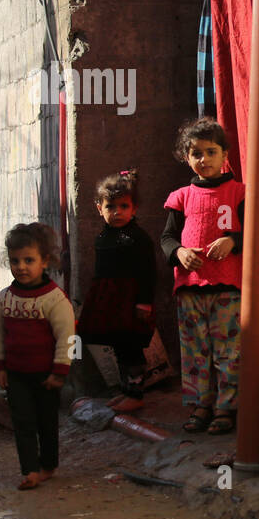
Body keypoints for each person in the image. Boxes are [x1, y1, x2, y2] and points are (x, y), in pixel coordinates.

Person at [160, 118, 244, 435]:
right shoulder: (180, 197)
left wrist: (232, 239)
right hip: (190, 288)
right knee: (195, 351)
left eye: (211, 152)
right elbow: (167, 238)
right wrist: (179, 253)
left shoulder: (238, 193)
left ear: (225, 155)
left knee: (228, 351)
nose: (204, 160)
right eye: (196, 153)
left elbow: (253, 232)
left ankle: (226, 408)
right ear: (186, 156)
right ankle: (201, 406)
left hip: (227, 289)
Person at [0, 222, 76, 491]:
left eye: (29, 260)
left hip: (46, 375)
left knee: (46, 422)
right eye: (15, 261)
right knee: (22, 423)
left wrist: (60, 372)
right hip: (16, 375)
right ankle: (30, 471)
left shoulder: (54, 299)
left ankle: (48, 465)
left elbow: (69, 338)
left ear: (45, 261)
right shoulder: (5, 298)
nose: (21, 267)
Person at [78, 169, 158, 412]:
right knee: (119, 346)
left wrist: (144, 302)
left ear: (134, 209)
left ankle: (136, 394)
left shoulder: (137, 237)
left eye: (124, 206)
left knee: (131, 346)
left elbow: (148, 272)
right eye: (111, 206)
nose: (117, 212)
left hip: (130, 302)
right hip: (109, 302)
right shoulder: (105, 235)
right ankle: (125, 391)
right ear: (99, 208)